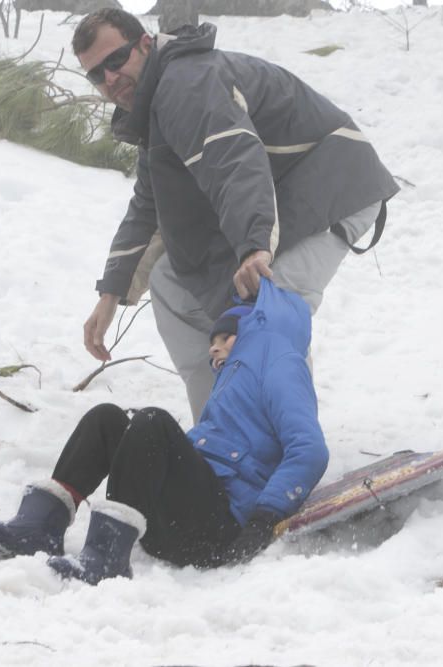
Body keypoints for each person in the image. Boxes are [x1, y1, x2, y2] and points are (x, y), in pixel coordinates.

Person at [74, 8, 399, 422]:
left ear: (144, 44)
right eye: (96, 75)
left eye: (115, 61)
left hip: (336, 185)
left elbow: (234, 159)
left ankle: (286, 442)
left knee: (267, 300)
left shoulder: (186, 84)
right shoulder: (156, 102)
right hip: (283, 196)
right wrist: (110, 295)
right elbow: (148, 206)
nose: (109, 79)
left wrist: (253, 248)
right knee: (172, 283)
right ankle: (221, 434)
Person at [0, 279, 328, 584]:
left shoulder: (282, 361)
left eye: (224, 339)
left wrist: (264, 519)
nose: (213, 349)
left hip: (220, 528)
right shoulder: (233, 377)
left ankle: (107, 557)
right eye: (211, 343)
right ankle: (38, 528)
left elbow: (309, 449)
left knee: (153, 422)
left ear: (252, 330)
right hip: (179, 521)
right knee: (107, 419)